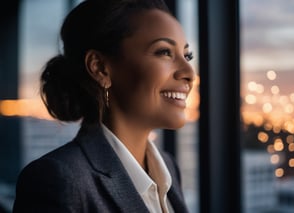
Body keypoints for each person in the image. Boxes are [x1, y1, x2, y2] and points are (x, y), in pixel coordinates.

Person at [12, 0, 195, 212]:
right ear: (100, 68)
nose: (189, 73)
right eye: (164, 52)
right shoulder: (56, 180)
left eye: (187, 55)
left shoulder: (168, 167)